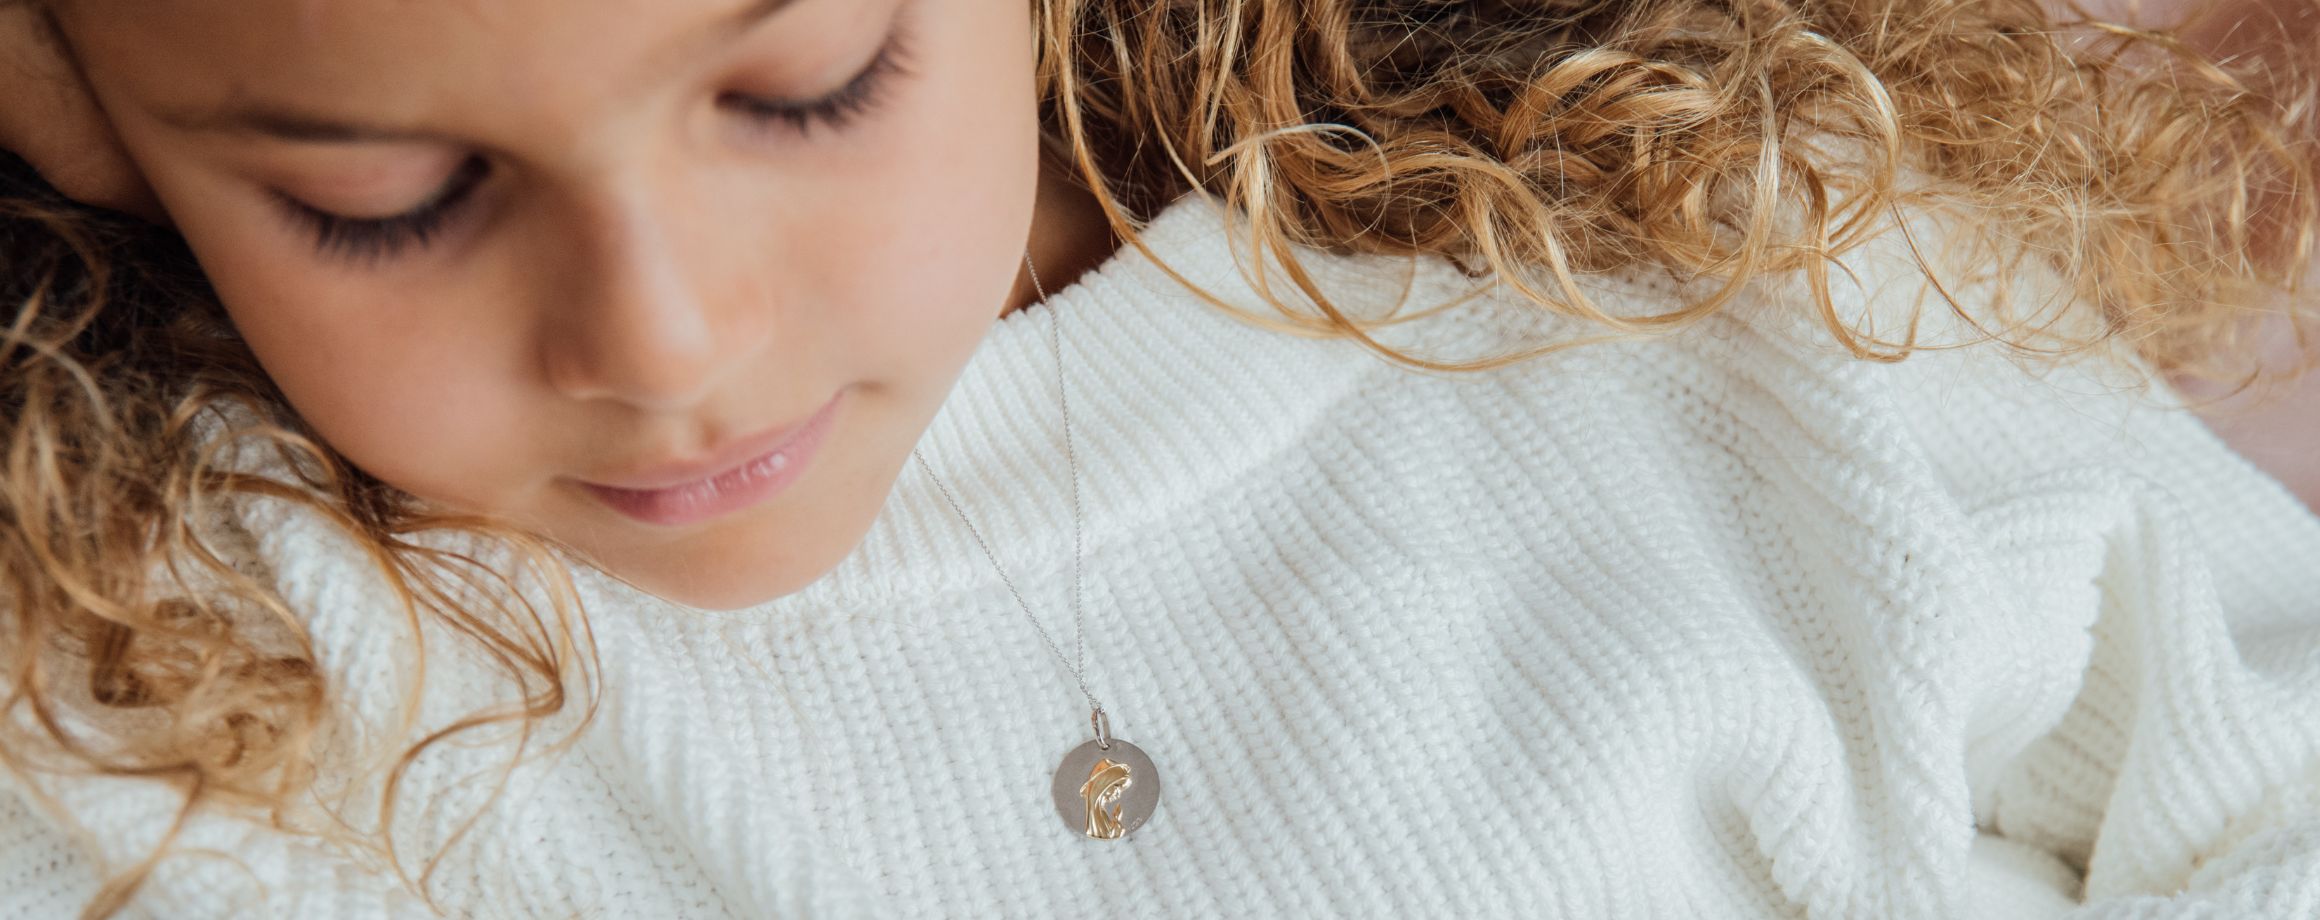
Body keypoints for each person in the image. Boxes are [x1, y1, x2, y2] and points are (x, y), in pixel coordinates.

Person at [0, 0, 2315, 917]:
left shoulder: (1708, 279)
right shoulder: (160, 685)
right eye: (390, 205)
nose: (665, 341)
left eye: (806, 83)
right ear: (65, 98)